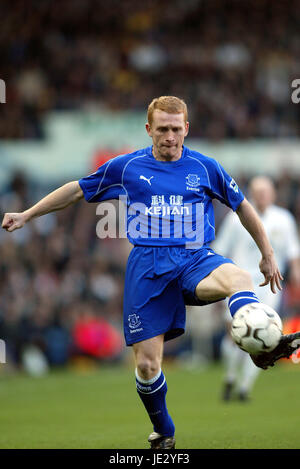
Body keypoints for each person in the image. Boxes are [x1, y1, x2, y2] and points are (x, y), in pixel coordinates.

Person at [2, 96, 300, 449]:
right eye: (162, 129)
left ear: (187, 129)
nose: (170, 136)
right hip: (148, 268)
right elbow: (76, 191)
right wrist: (27, 215)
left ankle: (259, 347)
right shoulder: (126, 167)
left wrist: (267, 253)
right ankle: (163, 430)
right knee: (146, 365)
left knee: (239, 278)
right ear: (149, 130)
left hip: (194, 258)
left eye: (176, 129)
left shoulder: (205, 167)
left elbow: (243, 206)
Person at [214, 176, 300, 401]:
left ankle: (244, 388)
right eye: (257, 192)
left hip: (270, 284)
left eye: (266, 191)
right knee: (234, 334)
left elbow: (293, 253)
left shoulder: (284, 219)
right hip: (238, 282)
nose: (262, 196)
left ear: (273, 194)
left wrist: (296, 275)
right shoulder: (236, 220)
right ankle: (231, 376)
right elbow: (220, 248)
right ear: (250, 193)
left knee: (266, 335)